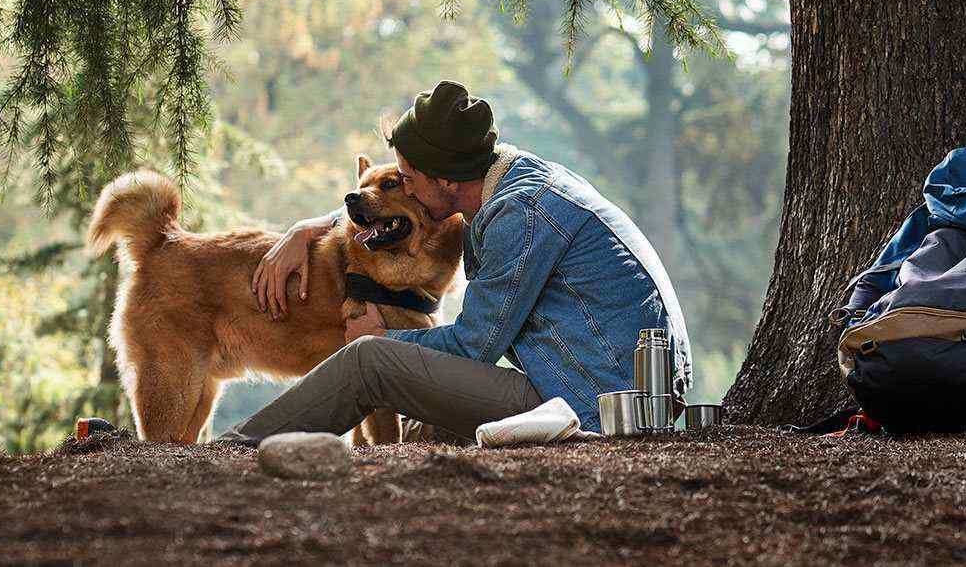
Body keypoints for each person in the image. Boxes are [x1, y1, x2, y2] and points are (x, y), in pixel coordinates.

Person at [218, 80, 690, 444]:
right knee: (422, 428)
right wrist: (309, 228)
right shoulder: (514, 180)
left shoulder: (518, 216)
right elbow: (396, 212)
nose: (402, 189)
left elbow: (473, 346)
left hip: (593, 404)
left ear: (443, 180)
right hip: (604, 386)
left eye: (405, 177)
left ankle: (234, 450)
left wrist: (382, 336)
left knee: (369, 360)